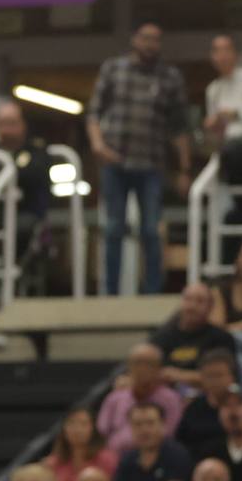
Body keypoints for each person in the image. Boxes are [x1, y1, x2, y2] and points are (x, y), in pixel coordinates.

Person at [87, 22, 190, 294]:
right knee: (113, 229)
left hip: (152, 165)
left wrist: (184, 169)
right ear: (134, 39)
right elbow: (94, 112)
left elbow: (179, 127)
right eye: (146, 38)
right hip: (115, 163)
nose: (150, 44)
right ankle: (110, 293)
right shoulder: (113, 69)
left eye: (156, 39)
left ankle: (152, 292)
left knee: (151, 230)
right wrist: (97, 144)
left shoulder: (169, 77)